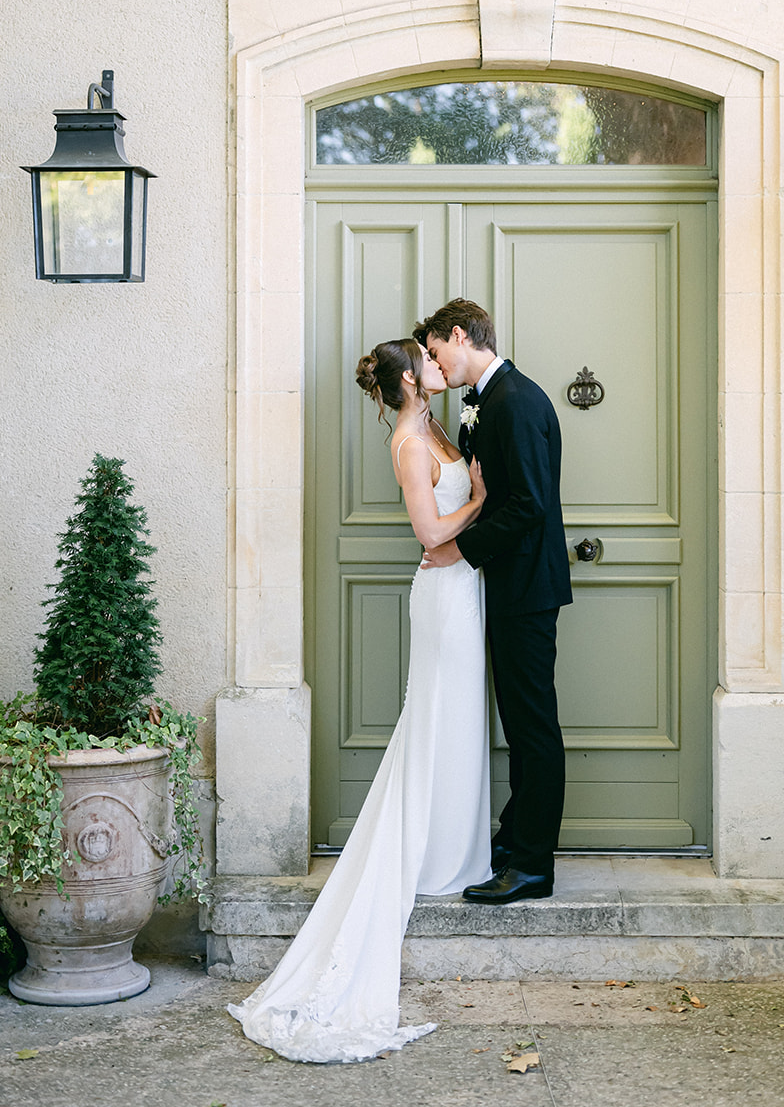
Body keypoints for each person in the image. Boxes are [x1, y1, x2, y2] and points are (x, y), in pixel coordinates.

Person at [228, 338, 489, 1064]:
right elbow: (430, 533)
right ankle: (434, 859)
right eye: (428, 361)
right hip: (442, 595)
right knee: (437, 720)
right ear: (410, 378)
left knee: (459, 724)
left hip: (465, 586)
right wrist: (477, 500)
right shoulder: (410, 443)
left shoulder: (439, 425)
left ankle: (458, 852)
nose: (440, 366)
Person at [414, 299, 571, 905]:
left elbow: (529, 503)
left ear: (460, 335)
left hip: (528, 588)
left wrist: (461, 551)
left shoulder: (519, 400)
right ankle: (513, 838)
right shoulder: (484, 401)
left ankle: (533, 865)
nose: (433, 362)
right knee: (518, 723)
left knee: (533, 728)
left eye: (435, 350)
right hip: (504, 586)